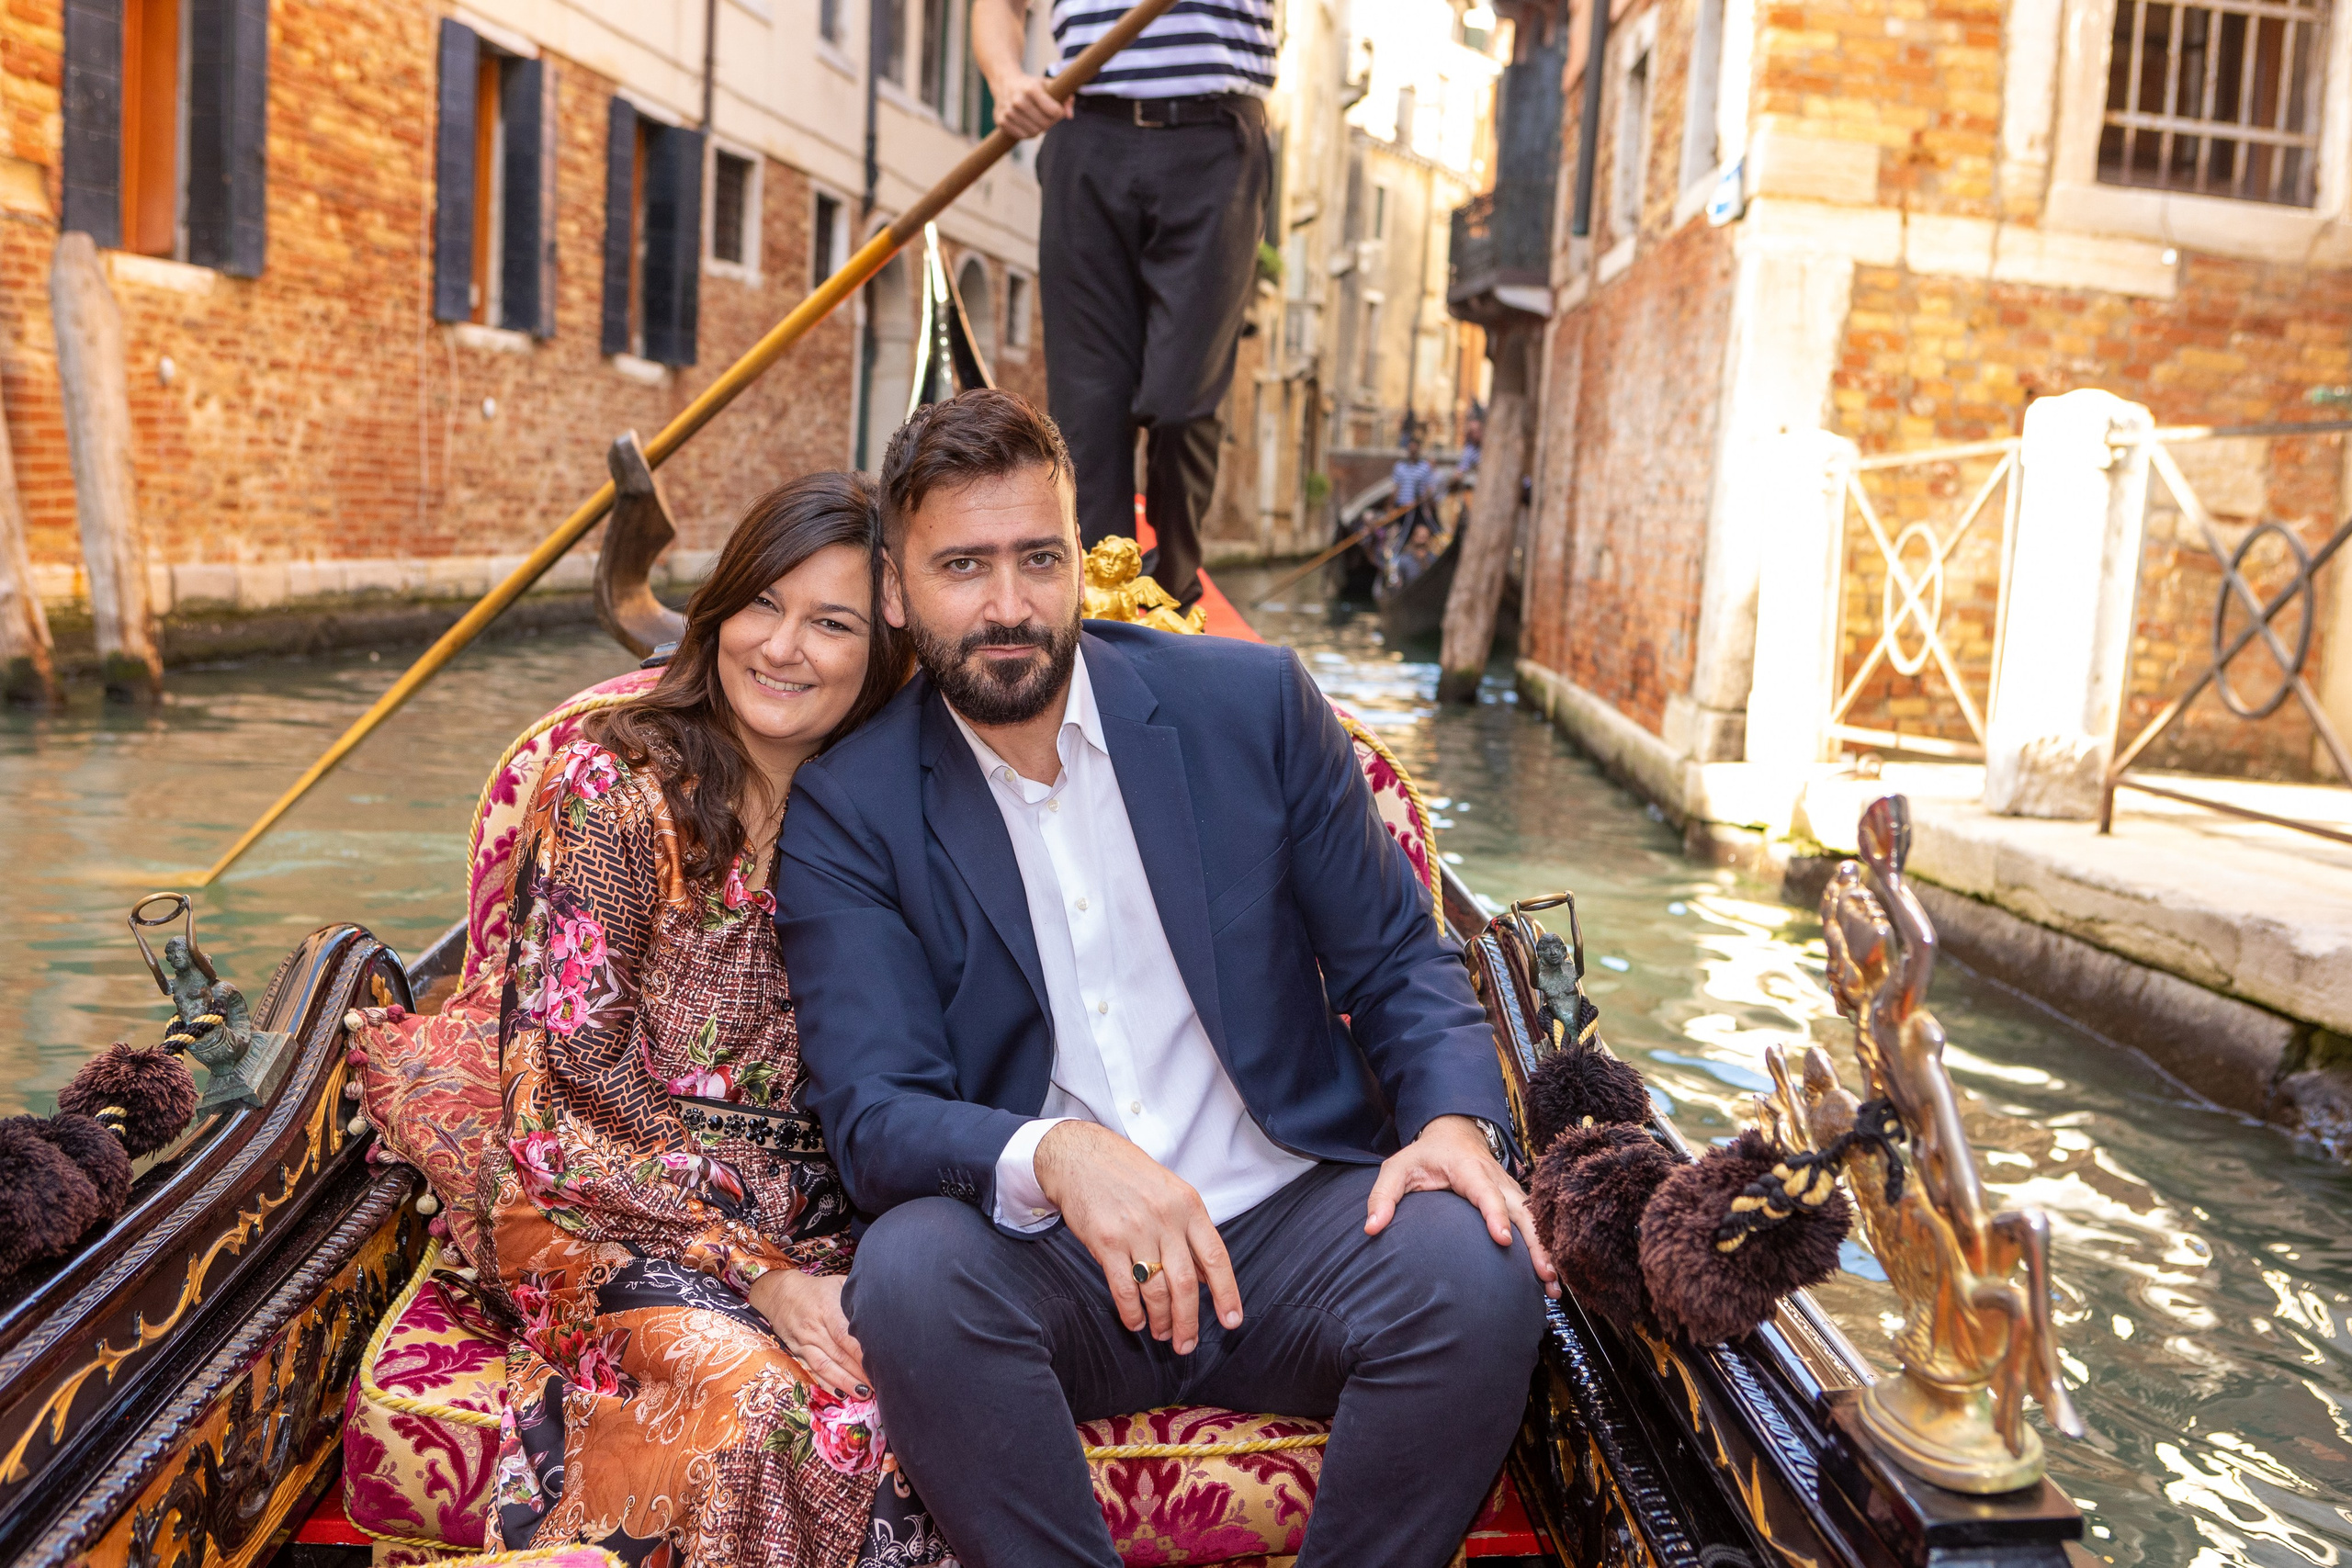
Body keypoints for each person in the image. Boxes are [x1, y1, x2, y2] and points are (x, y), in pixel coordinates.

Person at [776, 389, 1554, 1568]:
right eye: (961, 567)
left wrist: (1453, 1119)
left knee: (1475, 1266)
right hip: (1051, 1270)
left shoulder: (1253, 707)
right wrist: (1062, 1158)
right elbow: (875, 1112)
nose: (1007, 606)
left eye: (1038, 559)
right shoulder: (850, 805)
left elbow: (1396, 958)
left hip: (1292, 1224)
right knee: (912, 1275)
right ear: (896, 593)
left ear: (1081, 562)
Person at [484, 473, 947, 1568]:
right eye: (762, 605)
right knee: (783, 1412)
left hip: (828, 1225)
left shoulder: (902, 815)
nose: (781, 648)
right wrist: (755, 1270)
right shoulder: (613, 785)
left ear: (883, 652)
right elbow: (555, 1102)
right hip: (601, 1202)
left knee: (930, 1409)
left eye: (831, 623)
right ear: (719, 612)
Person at [970, 0, 1272, 612]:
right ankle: (1102, 615)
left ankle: (1174, 596)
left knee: (1180, 406)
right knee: (1087, 414)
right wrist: (1007, 80)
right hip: (1086, 134)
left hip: (1215, 142)